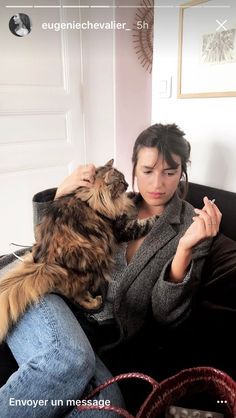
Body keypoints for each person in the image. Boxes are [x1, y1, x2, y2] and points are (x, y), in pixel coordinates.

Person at [0, 123, 222, 417]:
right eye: (147, 171)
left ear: (182, 171)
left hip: (97, 336)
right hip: (47, 291)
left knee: (108, 412)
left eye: (169, 172)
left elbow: (166, 315)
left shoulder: (190, 226)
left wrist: (184, 249)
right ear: (133, 169)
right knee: (69, 358)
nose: (157, 183)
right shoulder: (111, 199)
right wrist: (62, 193)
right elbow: (51, 242)